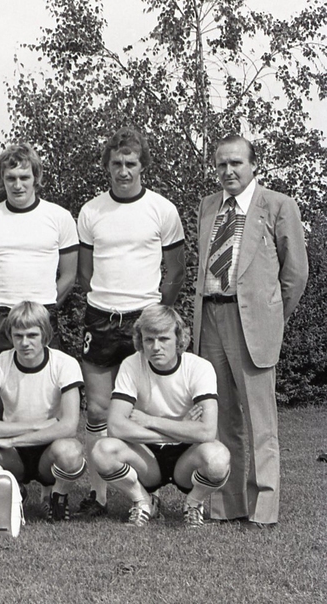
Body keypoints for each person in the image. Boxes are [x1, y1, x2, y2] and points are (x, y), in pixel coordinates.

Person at [193, 135, 308, 527]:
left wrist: (272, 316)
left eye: (236, 163)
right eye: (221, 164)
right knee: (222, 417)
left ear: (254, 165)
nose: (228, 171)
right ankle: (228, 505)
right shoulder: (208, 206)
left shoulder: (278, 205)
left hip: (252, 323)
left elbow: (295, 274)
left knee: (261, 422)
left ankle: (263, 510)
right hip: (210, 318)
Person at [75, 127, 186, 517]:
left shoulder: (162, 209)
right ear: (106, 166)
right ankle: (99, 496)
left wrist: (156, 312)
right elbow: (84, 273)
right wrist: (108, 300)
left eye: (131, 164)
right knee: (97, 410)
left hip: (145, 319)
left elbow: (176, 271)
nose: (123, 171)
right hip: (101, 318)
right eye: (117, 163)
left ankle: (149, 489)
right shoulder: (91, 211)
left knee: (148, 409)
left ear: (143, 166)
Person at [90, 305, 230, 527]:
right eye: (149, 340)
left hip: (186, 456)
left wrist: (151, 421)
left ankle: (194, 503)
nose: (155, 347)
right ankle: (143, 502)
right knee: (102, 450)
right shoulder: (131, 364)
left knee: (218, 458)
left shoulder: (200, 368)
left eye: (164, 339)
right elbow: (115, 426)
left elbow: (207, 431)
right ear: (140, 341)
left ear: (179, 339)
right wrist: (180, 429)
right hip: (147, 456)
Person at [0, 302, 85, 521]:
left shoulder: (65, 364)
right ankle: (13, 488)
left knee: (71, 452)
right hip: (14, 453)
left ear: (45, 335)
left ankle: (57, 495)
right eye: (18, 336)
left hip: (49, 447)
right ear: (10, 336)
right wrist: (35, 426)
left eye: (32, 335)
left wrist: (15, 440)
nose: (24, 342)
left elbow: (69, 426)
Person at [0, 143, 78, 363]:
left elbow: (69, 275)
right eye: (11, 178)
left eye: (24, 177)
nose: (17, 185)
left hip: (41, 315)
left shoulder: (60, 217)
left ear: (36, 177)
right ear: (2, 179)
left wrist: (42, 309)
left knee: (44, 382)